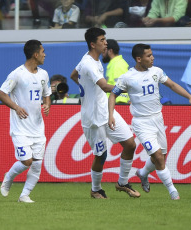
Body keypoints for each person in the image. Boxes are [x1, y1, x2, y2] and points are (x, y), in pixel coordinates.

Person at [108, 43, 191, 200]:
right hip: (142, 123)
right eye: (148, 56)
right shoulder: (128, 77)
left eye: (152, 54)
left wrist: (189, 97)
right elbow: (113, 95)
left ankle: (142, 173)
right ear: (138, 59)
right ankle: (172, 191)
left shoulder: (157, 72)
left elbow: (172, 84)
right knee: (158, 156)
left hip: (158, 119)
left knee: (160, 155)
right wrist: (111, 115)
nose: (152, 58)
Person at [70, 27, 140, 199]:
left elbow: (73, 74)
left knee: (130, 144)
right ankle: (96, 189)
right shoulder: (89, 64)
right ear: (93, 44)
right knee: (101, 155)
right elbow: (104, 86)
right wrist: (128, 89)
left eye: (105, 39)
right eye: (102, 40)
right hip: (93, 118)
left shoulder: (92, 60)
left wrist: (84, 87)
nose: (105, 42)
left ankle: (122, 182)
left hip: (106, 110)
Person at [0, 40, 51, 203]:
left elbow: (46, 94)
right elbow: (1, 93)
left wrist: (47, 104)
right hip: (20, 129)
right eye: (42, 51)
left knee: (36, 165)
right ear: (35, 54)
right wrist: (16, 107)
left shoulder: (44, 74)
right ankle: (9, 177)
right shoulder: (17, 74)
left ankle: (24, 195)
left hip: (37, 128)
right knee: (27, 161)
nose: (45, 54)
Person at [102, 39, 130, 104]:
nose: (102, 52)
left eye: (104, 50)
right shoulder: (115, 64)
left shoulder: (117, 65)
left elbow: (120, 87)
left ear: (110, 51)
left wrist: (120, 104)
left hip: (118, 105)